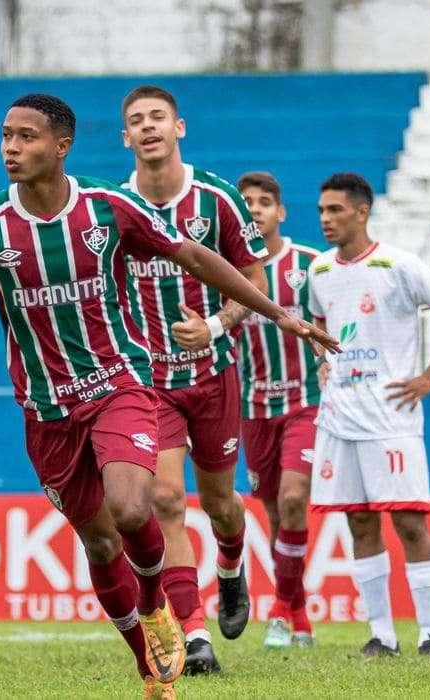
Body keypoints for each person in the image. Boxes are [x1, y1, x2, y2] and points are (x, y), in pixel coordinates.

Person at [0, 93, 339, 700]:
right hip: (46, 412)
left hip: (121, 386)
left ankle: (155, 605)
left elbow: (194, 255)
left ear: (61, 146)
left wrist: (280, 315)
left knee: (138, 506)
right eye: (7, 136)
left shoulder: (110, 208)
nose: (12, 148)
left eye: (27, 137)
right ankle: (151, 667)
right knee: (99, 541)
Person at [119, 85, 267, 675]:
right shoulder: (111, 207)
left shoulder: (216, 200)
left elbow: (252, 274)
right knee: (164, 499)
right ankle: (195, 634)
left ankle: (231, 569)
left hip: (212, 374)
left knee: (221, 503)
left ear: (179, 128)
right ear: (125, 138)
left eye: (159, 118)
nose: (149, 127)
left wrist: (217, 322)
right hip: (148, 380)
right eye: (137, 121)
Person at [307, 173, 430, 658]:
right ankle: (381, 634)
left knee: (408, 521)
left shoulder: (399, 265)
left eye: (335, 210)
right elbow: (322, 324)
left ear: (362, 212)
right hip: (339, 416)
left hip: (391, 418)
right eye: (321, 210)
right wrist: (324, 361)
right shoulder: (319, 271)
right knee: (359, 522)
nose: (325, 219)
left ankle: (429, 634)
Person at [175, 171, 323, 649]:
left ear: (281, 213)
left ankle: (280, 610)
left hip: (305, 402)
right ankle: (296, 610)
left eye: (265, 202)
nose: (255, 209)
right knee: (278, 512)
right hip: (252, 405)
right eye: (248, 203)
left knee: (297, 500)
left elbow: (341, 321)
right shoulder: (223, 272)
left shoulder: (311, 266)